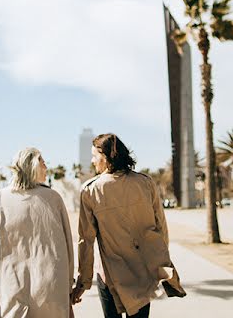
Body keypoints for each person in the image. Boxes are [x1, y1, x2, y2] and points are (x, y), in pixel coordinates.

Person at [72, 133, 185, 318]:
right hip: (142, 270)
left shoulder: (90, 190)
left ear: (106, 156)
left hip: (109, 275)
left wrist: (83, 282)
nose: (93, 161)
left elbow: (86, 239)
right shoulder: (145, 183)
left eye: (94, 156)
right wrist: (161, 264)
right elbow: (160, 228)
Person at [0, 147, 73, 318]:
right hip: (51, 289)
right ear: (31, 167)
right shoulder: (54, 199)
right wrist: (68, 284)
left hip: (11, 286)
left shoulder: (1, 198)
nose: (46, 168)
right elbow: (68, 246)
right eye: (43, 163)